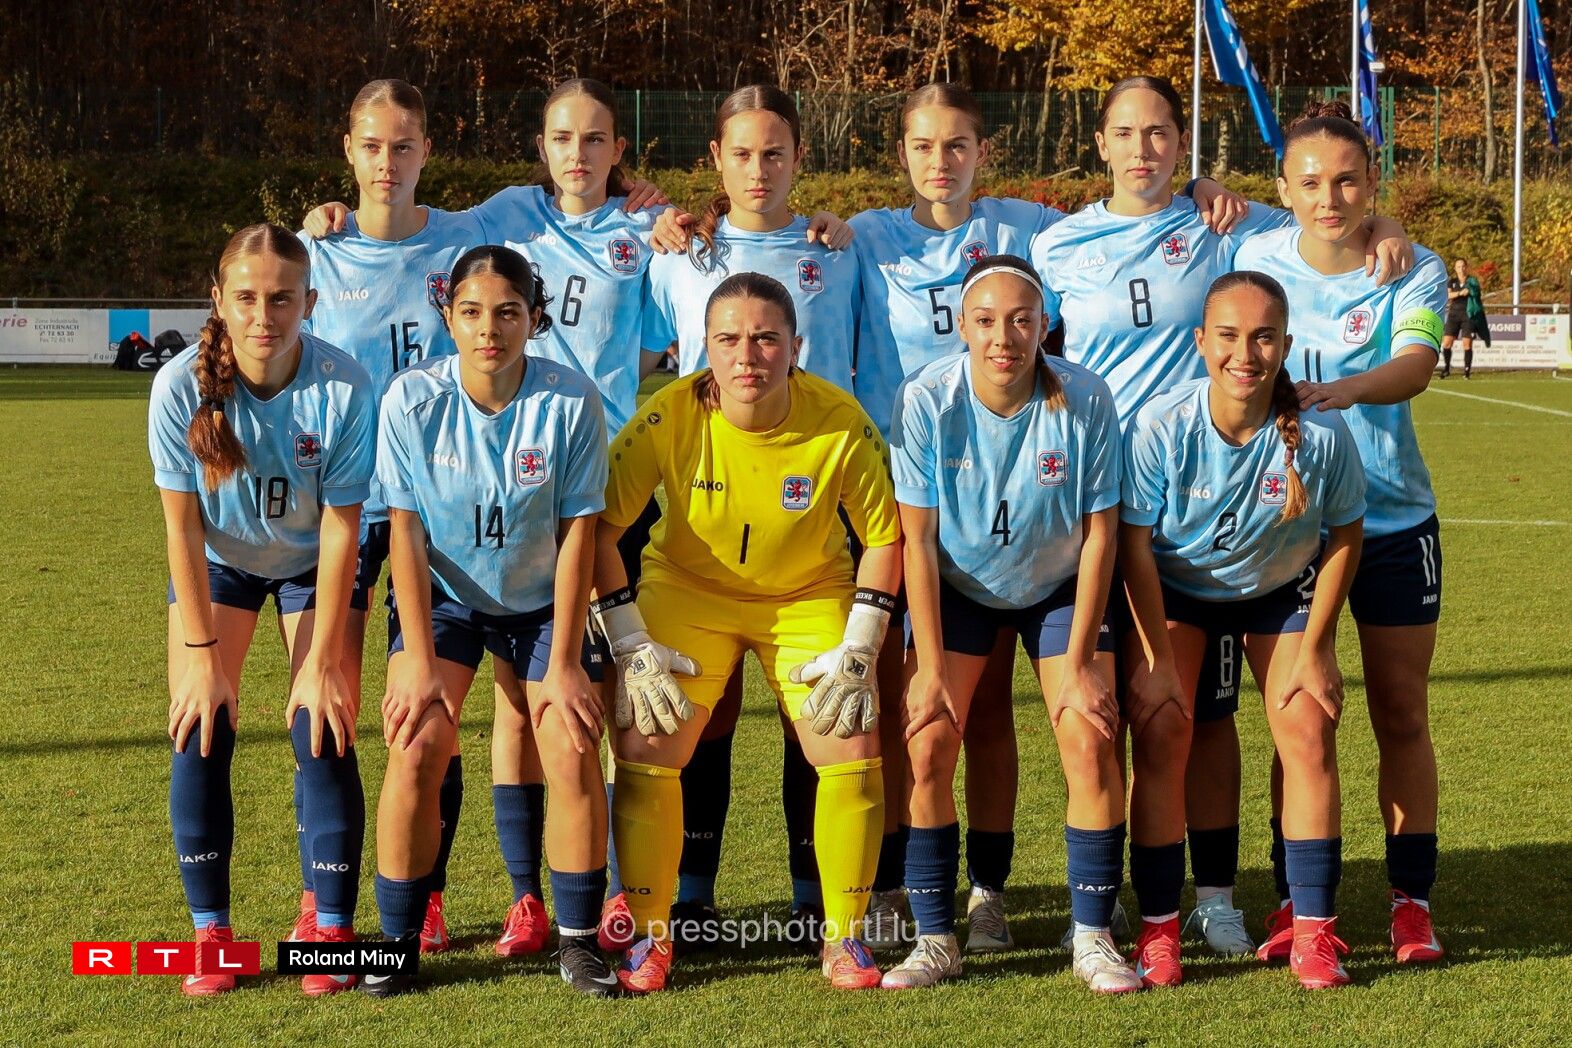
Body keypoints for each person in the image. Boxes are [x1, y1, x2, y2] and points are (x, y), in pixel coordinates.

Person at [851, 82, 1243, 951]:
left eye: (958, 144)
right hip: (942, 540)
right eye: (923, 145)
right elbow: (917, 536)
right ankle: (927, 922)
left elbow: (1202, 220)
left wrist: (1202, 189)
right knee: (928, 725)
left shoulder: (1038, 232)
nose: (941, 161)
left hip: (1092, 530)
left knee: (1107, 722)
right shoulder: (865, 245)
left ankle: (1097, 921)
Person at [1032, 75, 1410, 956]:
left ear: (1181, 142)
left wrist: (1387, 226)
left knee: (1200, 719)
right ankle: (1110, 897)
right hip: (1098, 509)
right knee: (1117, 713)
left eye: (1160, 132)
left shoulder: (1224, 226)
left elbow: (1329, 218)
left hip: (1212, 498)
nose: (1143, 149)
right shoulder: (1054, 241)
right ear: (1099, 142)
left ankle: (1212, 898)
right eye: (1127, 133)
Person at [299, 78, 672, 957]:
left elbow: (682, 314)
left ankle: (611, 903)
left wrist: (663, 212)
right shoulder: (489, 220)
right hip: (409, 495)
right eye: (561, 137)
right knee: (378, 708)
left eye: (596, 138)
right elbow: (392, 223)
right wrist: (327, 218)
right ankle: (372, 908)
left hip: (585, 492)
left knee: (579, 714)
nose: (577, 153)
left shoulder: (625, 235)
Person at [594, 272, 901, 993]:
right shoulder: (669, 415)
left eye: (765, 338)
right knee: (646, 738)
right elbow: (601, 527)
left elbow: (885, 537)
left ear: (795, 346)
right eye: (728, 339)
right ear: (703, 346)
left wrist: (861, 643)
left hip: (806, 594)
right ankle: (649, 936)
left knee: (850, 740)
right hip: (689, 591)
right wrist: (629, 640)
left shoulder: (839, 419)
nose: (746, 356)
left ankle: (845, 938)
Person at [638, 84, 861, 951]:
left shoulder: (840, 248)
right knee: (708, 705)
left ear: (800, 157)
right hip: (707, 509)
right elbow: (627, 350)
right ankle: (691, 896)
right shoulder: (673, 253)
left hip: (821, 503)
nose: (759, 169)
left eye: (775, 153)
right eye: (742, 153)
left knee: (821, 705)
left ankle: (815, 896)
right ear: (716, 161)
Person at [1234, 98, 1451, 970]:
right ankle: (1298, 900)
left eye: (1349, 181)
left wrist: (1343, 391)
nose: (1330, 198)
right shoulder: (1253, 257)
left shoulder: (1414, 267)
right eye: (1312, 181)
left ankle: (1411, 904)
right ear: (1283, 188)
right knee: (1301, 718)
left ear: (1372, 183)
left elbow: (1417, 365)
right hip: (1290, 530)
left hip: (1394, 522)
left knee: (1401, 710)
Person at [364, 245, 614, 997]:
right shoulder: (411, 400)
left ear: (534, 319)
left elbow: (579, 534)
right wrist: (415, 660)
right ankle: (394, 946)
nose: (489, 329)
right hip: (446, 599)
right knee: (416, 741)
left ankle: (579, 943)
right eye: (471, 312)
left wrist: (563, 662)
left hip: (543, 603)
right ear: (448, 318)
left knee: (570, 741)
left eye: (508, 313)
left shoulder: (570, 401)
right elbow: (404, 531)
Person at [884, 255, 1136, 994]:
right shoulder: (926, 397)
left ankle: (1091, 934)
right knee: (928, 740)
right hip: (959, 586)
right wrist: (931, 668)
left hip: (1059, 588)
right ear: (962, 327)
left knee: (1089, 735)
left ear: (1044, 325)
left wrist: (1082, 660)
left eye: (1022, 321)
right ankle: (937, 938)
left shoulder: (1084, 397)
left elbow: (1101, 535)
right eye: (987, 321)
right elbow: (917, 541)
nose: (1005, 338)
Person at [1120, 270, 1366, 990]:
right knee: (1163, 725)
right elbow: (1134, 547)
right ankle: (1159, 928)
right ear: (1201, 341)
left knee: (1308, 724)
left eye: (1263, 337)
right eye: (1228, 336)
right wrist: (1157, 659)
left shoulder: (1321, 434)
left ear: (1286, 344)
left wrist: (1318, 647)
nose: (1245, 354)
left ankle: (1313, 931)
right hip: (1178, 591)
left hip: (1277, 593)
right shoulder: (1162, 425)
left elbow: (1346, 533)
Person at [150, 224, 375, 996]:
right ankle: (212, 935)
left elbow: (344, 528)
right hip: (222, 564)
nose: (263, 315)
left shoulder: (344, 385)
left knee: (323, 725)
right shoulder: (178, 387)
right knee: (200, 724)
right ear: (218, 299)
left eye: (282, 298)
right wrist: (202, 655)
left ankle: (329, 930)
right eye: (246, 297)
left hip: (315, 565)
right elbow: (181, 528)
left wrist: (322, 663)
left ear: (310, 302)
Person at [1440, 258, 1486, 378]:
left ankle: (1467, 371)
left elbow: (1477, 293)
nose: (1461, 269)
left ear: (1466, 267)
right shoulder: (1452, 282)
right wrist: (1459, 293)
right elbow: (1448, 295)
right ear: (1455, 269)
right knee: (1446, 343)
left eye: (1463, 266)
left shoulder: (1472, 281)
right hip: (1454, 314)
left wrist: (1471, 291)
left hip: (1468, 315)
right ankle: (1446, 369)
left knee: (1467, 344)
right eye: (1458, 267)